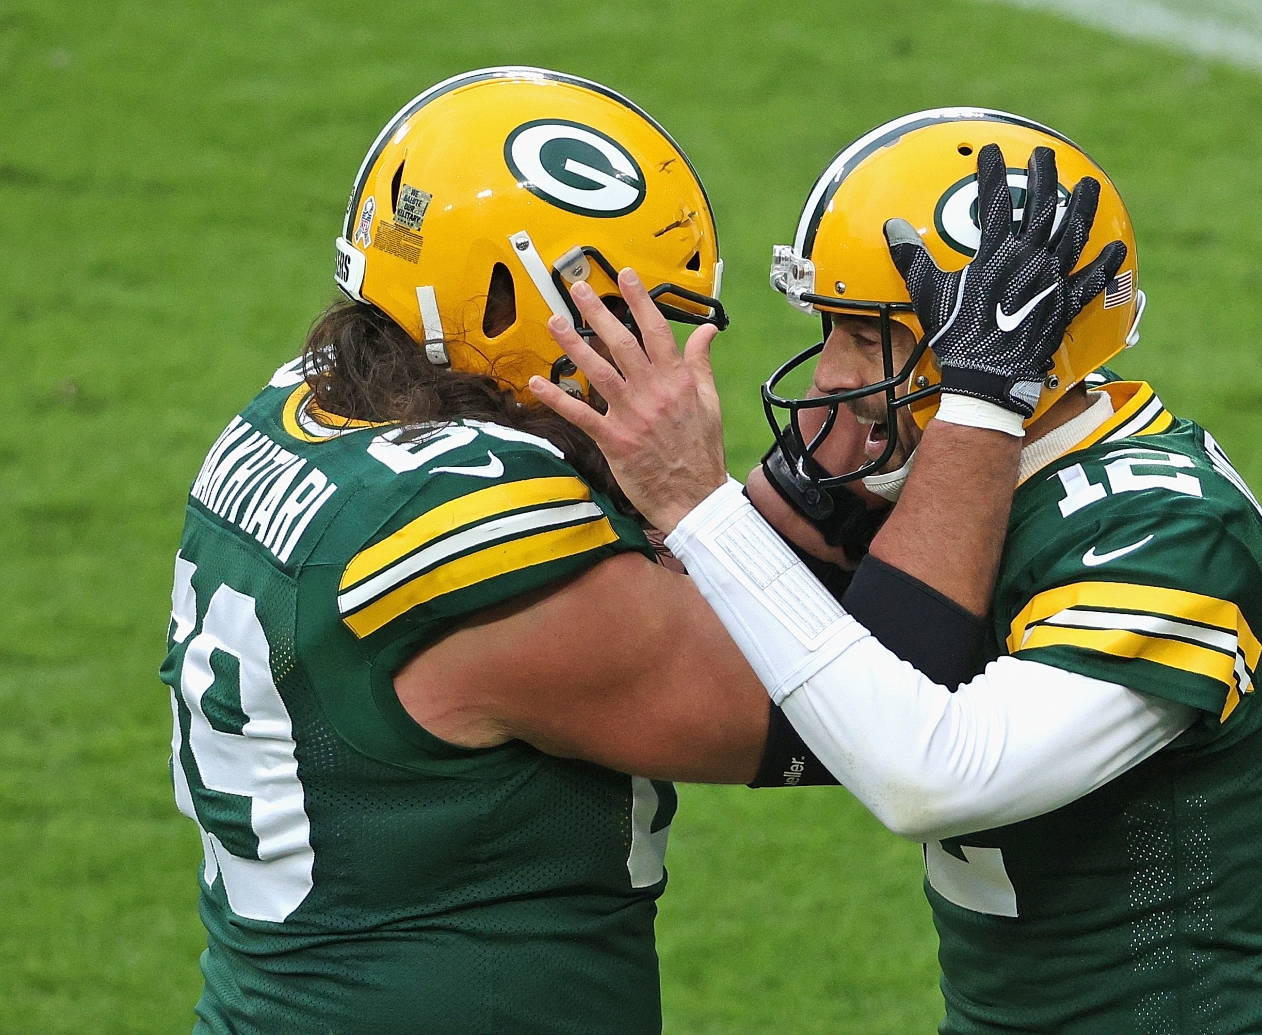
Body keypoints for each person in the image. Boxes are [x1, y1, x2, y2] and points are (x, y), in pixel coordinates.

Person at [533, 110, 1262, 1035]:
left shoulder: (1160, 529)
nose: (831, 374)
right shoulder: (958, 478)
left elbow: (932, 773)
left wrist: (700, 503)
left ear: (1016, 352)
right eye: (830, 329)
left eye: (868, 339)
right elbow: (704, 620)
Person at [158, 66, 789, 1035]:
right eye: (631, 314)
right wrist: (703, 495)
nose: (658, 347)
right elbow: (815, 702)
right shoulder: (470, 521)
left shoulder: (293, 411)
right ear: (510, 299)